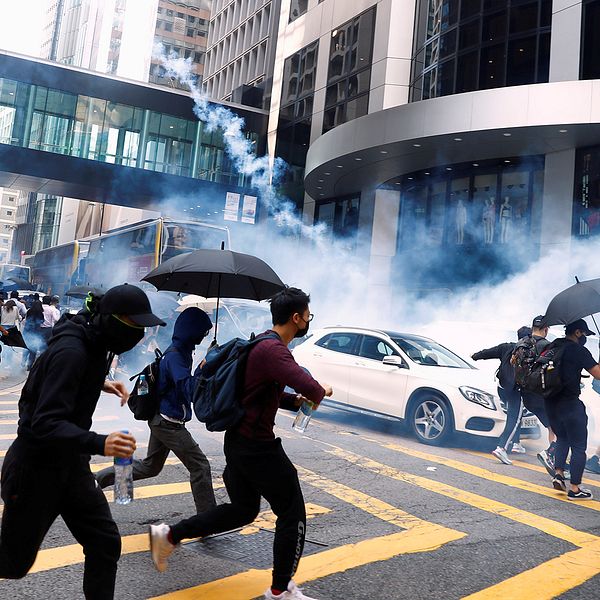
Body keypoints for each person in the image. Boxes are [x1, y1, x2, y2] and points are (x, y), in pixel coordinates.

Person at [148, 287, 333, 600]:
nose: (308, 322)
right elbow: (311, 386)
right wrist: (320, 390)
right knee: (292, 512)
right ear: (297, 318)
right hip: (257, 447)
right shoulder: (274, 351)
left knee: (243, 510)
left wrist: (291, 401)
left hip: (240, 442)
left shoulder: (263, 342)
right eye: (308, 317)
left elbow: (258, 391)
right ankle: (280, 590)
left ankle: (169, 534)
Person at [0, 283, 165, 598]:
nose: (139, 334)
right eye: (135, 325)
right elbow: (44, 424)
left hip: (71, 466)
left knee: (104, 543)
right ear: (112, 320)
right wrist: (101, 442)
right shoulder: (72, 351)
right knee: (12, 563)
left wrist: (101, 382)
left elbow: (61, 377)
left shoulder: (93, 340)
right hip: (35, 469)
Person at [96, 307, 217, 513]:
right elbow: (188, 389)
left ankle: (96, 480)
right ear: (192, 331)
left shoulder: (182, 351)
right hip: (168, 423)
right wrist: (205, 366)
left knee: (150, 467)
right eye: (202, 332)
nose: (203, 336)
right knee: (200, 466)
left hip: (160, 418)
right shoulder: (177, 356)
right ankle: (208, 519)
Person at [545, 319, 600, 500]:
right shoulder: (578, 350)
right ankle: (575, 489)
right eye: (584, 334)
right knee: (578, 447)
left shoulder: (554, 345)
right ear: (577, 332)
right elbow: (598, 374)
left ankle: (559, 474)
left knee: (563, 439)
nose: (584, 337)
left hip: (551, 404)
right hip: (570, 404)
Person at [471, 326, 531, 465]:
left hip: (502, 388)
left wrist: (475, 356)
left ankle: (516, 442)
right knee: (514, 417)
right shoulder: (528, 351)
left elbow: (487, 352)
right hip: (515, 390)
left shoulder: (506, 347)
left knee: (516, 415)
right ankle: (502, 448)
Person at [518, 315, 557, 475]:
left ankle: (553, 457)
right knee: (557, 428)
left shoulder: (521, 343)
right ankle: (552, 455)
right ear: (546, 329)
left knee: (551, 426)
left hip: (526, 395)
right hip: (542, 394)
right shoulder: (547, 345)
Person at [22, 294, 44, 370]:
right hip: (35, 332)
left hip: (27, 331)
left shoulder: (29, 311)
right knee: (33, 350)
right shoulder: (40, 313)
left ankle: (23, 362)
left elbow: (27, 320)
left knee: (26, 347)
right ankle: (29, 366)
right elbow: (42, 322)